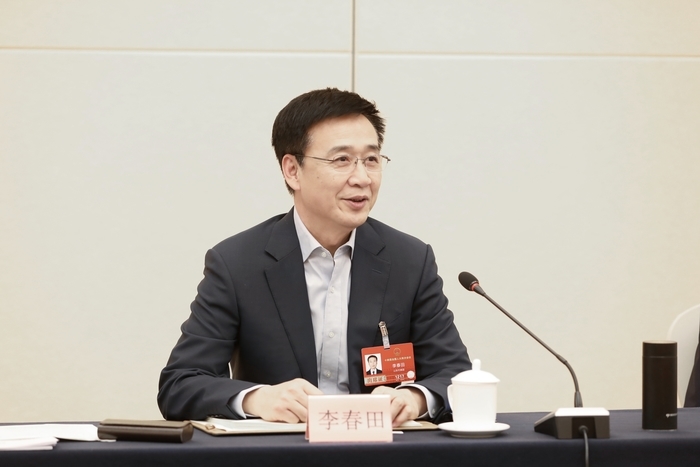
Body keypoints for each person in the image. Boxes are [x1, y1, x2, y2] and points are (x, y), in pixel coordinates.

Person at [157, 88, 471, 427]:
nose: (362, 178)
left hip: (381, 448)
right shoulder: (237, 264)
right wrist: (258, 398)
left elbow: (455, 375)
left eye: (371, 159)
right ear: (292, 170)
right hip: (281, 449)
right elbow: (180, 385)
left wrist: (414, 398)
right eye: (341, 160)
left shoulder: (409, 260)